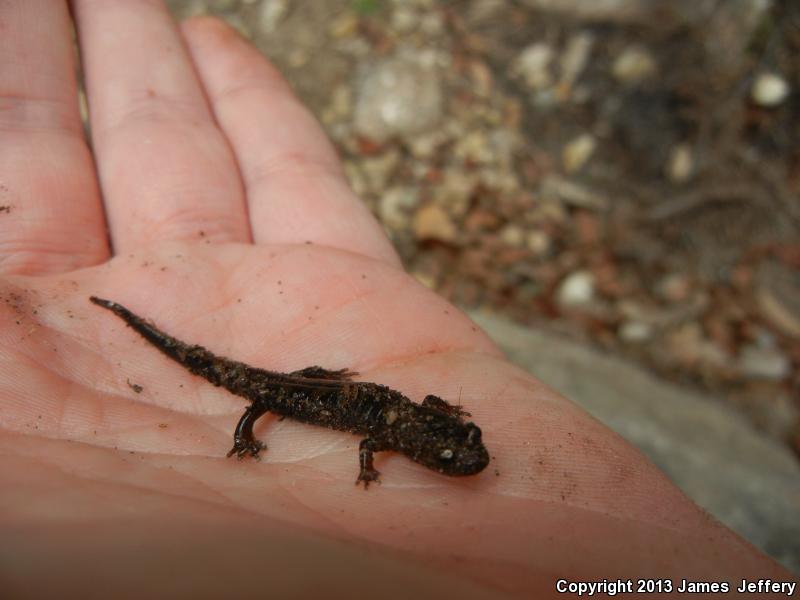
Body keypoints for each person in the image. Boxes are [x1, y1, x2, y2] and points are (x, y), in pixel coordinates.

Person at [0, 2, 793, 597]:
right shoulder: (382, 437)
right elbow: (349, 432)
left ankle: (153, 331)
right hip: (295, 390)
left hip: (329, 392)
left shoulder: (398, 431)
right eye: (454, 451)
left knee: (266, 382)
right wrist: (249, 436)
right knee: (245, 391)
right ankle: (146, 332)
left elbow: (398, 429)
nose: (462, 455)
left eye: (453, 449)